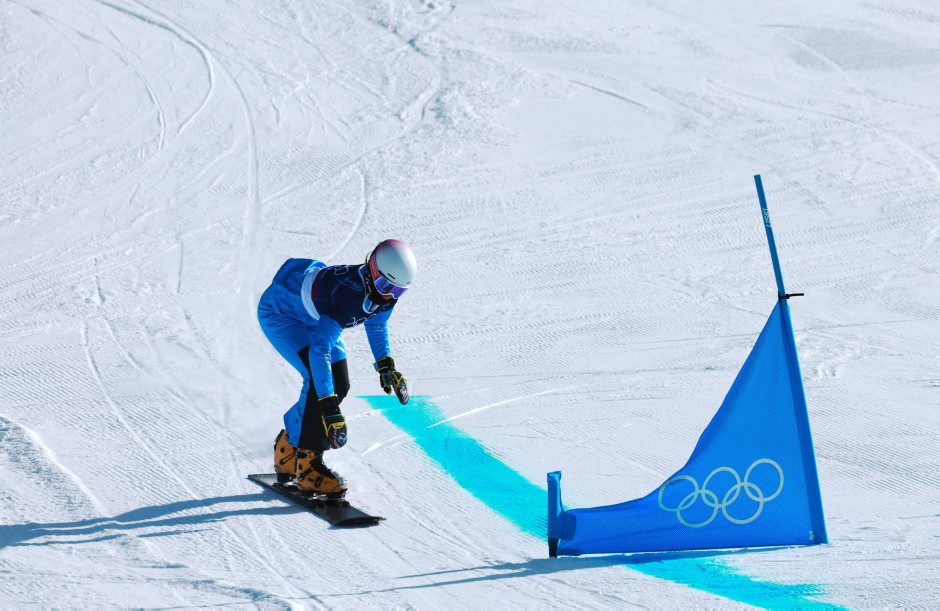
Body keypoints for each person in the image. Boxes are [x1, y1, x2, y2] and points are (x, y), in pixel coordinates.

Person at [257, 239, 416, 497]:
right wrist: (329, 407)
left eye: (398, 291)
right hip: (282, 314)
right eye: (385, 286)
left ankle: (287, 449)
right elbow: (319, 351)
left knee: (339, 383)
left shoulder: (385, 293)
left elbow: (376, 323)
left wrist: (386, 365)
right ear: (372, 271)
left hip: (317, 317)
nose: (389, 296)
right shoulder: (348, 296)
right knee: (317, 380)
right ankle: (307, 467)